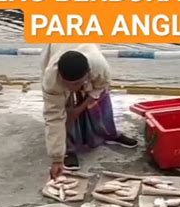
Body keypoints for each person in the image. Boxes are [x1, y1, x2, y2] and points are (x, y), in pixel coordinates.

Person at [41, 44, 137, 178]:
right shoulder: (51, 79)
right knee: (64, 112)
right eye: (68, 84)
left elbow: (100, 86)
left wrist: (79, 109)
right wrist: (56, 159)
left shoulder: (99, 66)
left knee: (100, 103)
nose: (72, 88)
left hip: (86, 48)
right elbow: (53, 117)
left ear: (88, 73)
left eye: (77, 83)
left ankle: (109, 133)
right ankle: (68, 149)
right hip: (57, 45)